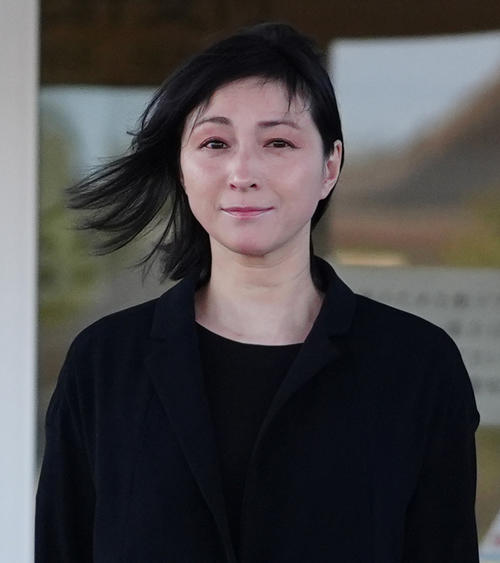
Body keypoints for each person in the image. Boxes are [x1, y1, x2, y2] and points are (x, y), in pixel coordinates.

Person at [35, 22, 480, 563]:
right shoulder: (104, 365)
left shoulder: (417, 366)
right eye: (215, 143)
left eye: (278, 142)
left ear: (330, 166)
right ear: (181, 167)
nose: (242, 172)